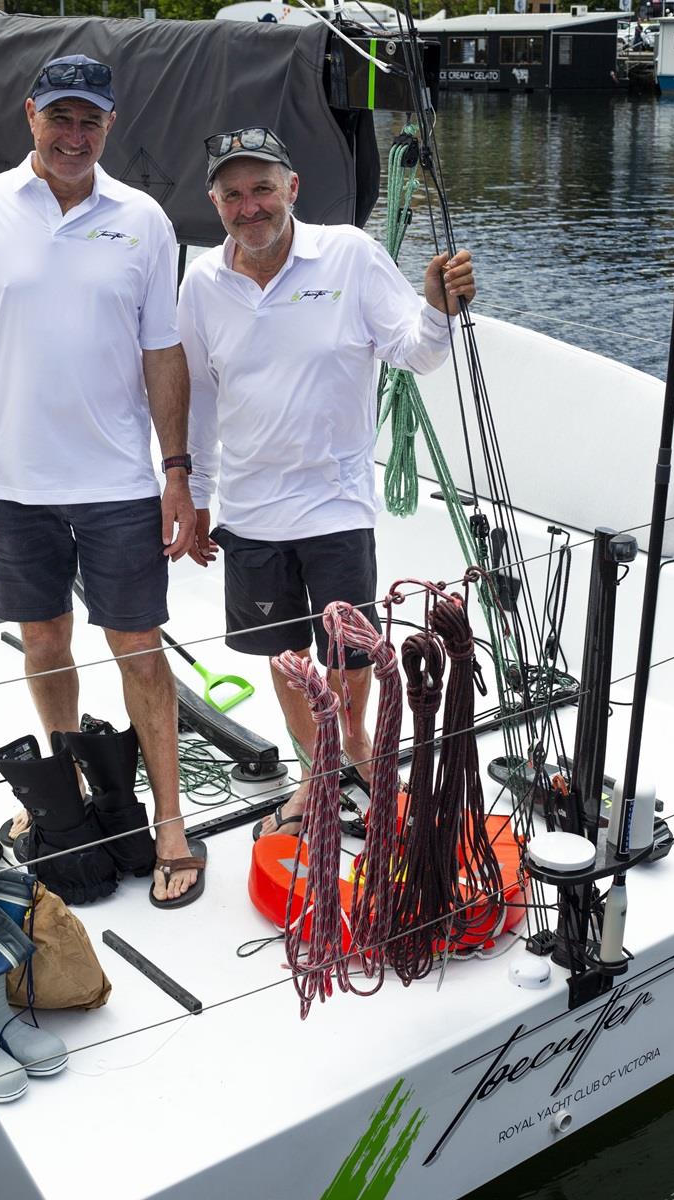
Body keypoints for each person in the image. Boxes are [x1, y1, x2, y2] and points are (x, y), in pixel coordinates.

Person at [0, 54, 204, 905]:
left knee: (139, 649)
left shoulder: (146, 220)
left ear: (109, 127)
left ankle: (170, 823)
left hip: (119, 481)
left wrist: (176, 474)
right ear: (31, 117)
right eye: (61, 118)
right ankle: (74, 790)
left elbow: (164, 352)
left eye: (92, 122)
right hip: (12, 482)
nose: (75, 136)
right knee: (44, 642)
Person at [178, 127, 475, 837]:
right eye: (233, 194)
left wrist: (439, 307)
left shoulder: (349, 253)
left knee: (347, 658)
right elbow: (198, 395)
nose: (250, 207)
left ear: (292, 189)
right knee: (285, 660)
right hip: (249, 513)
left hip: (336, 505)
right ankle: (318, 774)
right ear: (215, 202)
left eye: (262, 189)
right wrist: (194, 499)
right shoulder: (201, 282)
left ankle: (361, 756)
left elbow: (416, 353)